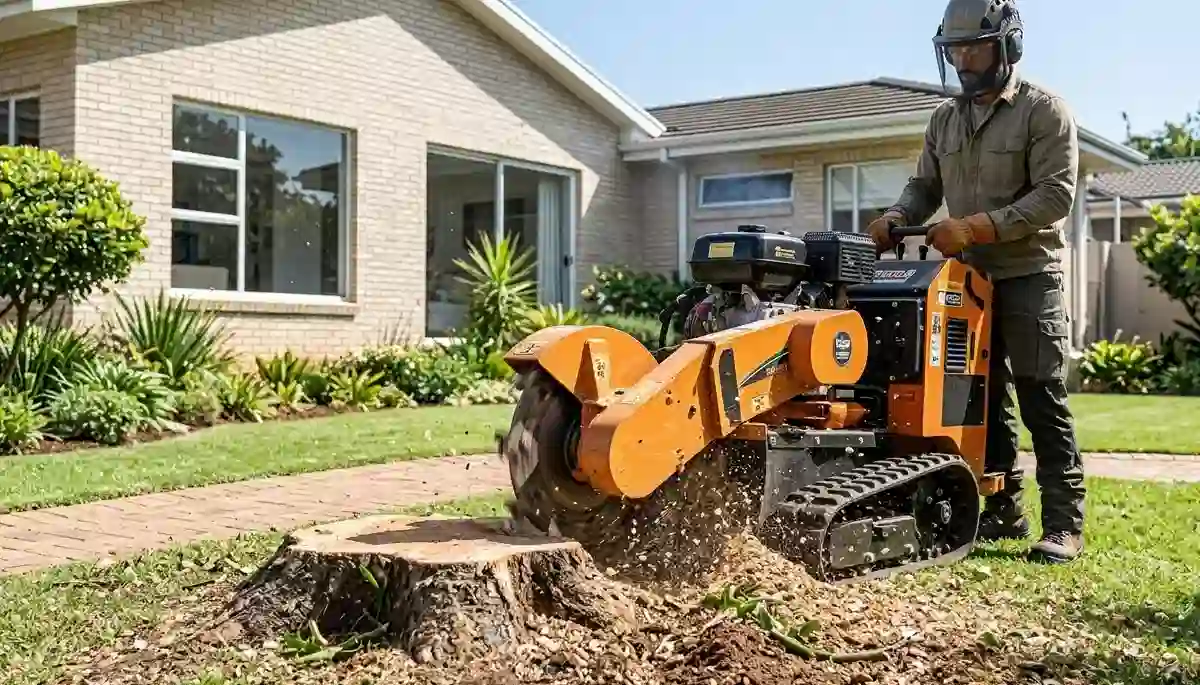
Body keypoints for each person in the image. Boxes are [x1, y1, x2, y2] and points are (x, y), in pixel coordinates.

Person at [868, 0, 1086, 563]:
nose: (964, 60)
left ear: (1008, 45)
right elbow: (923, 185)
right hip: (967, 283)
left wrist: (978, 227)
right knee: (980, 399)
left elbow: (1055, 194)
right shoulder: (944, 118)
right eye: (955, 51)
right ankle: (1004, 509)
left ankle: (1063, 524)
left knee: (1041, 395)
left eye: (974, 48)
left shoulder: (1044, 111)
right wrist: (896, 216)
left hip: (1028, 274)